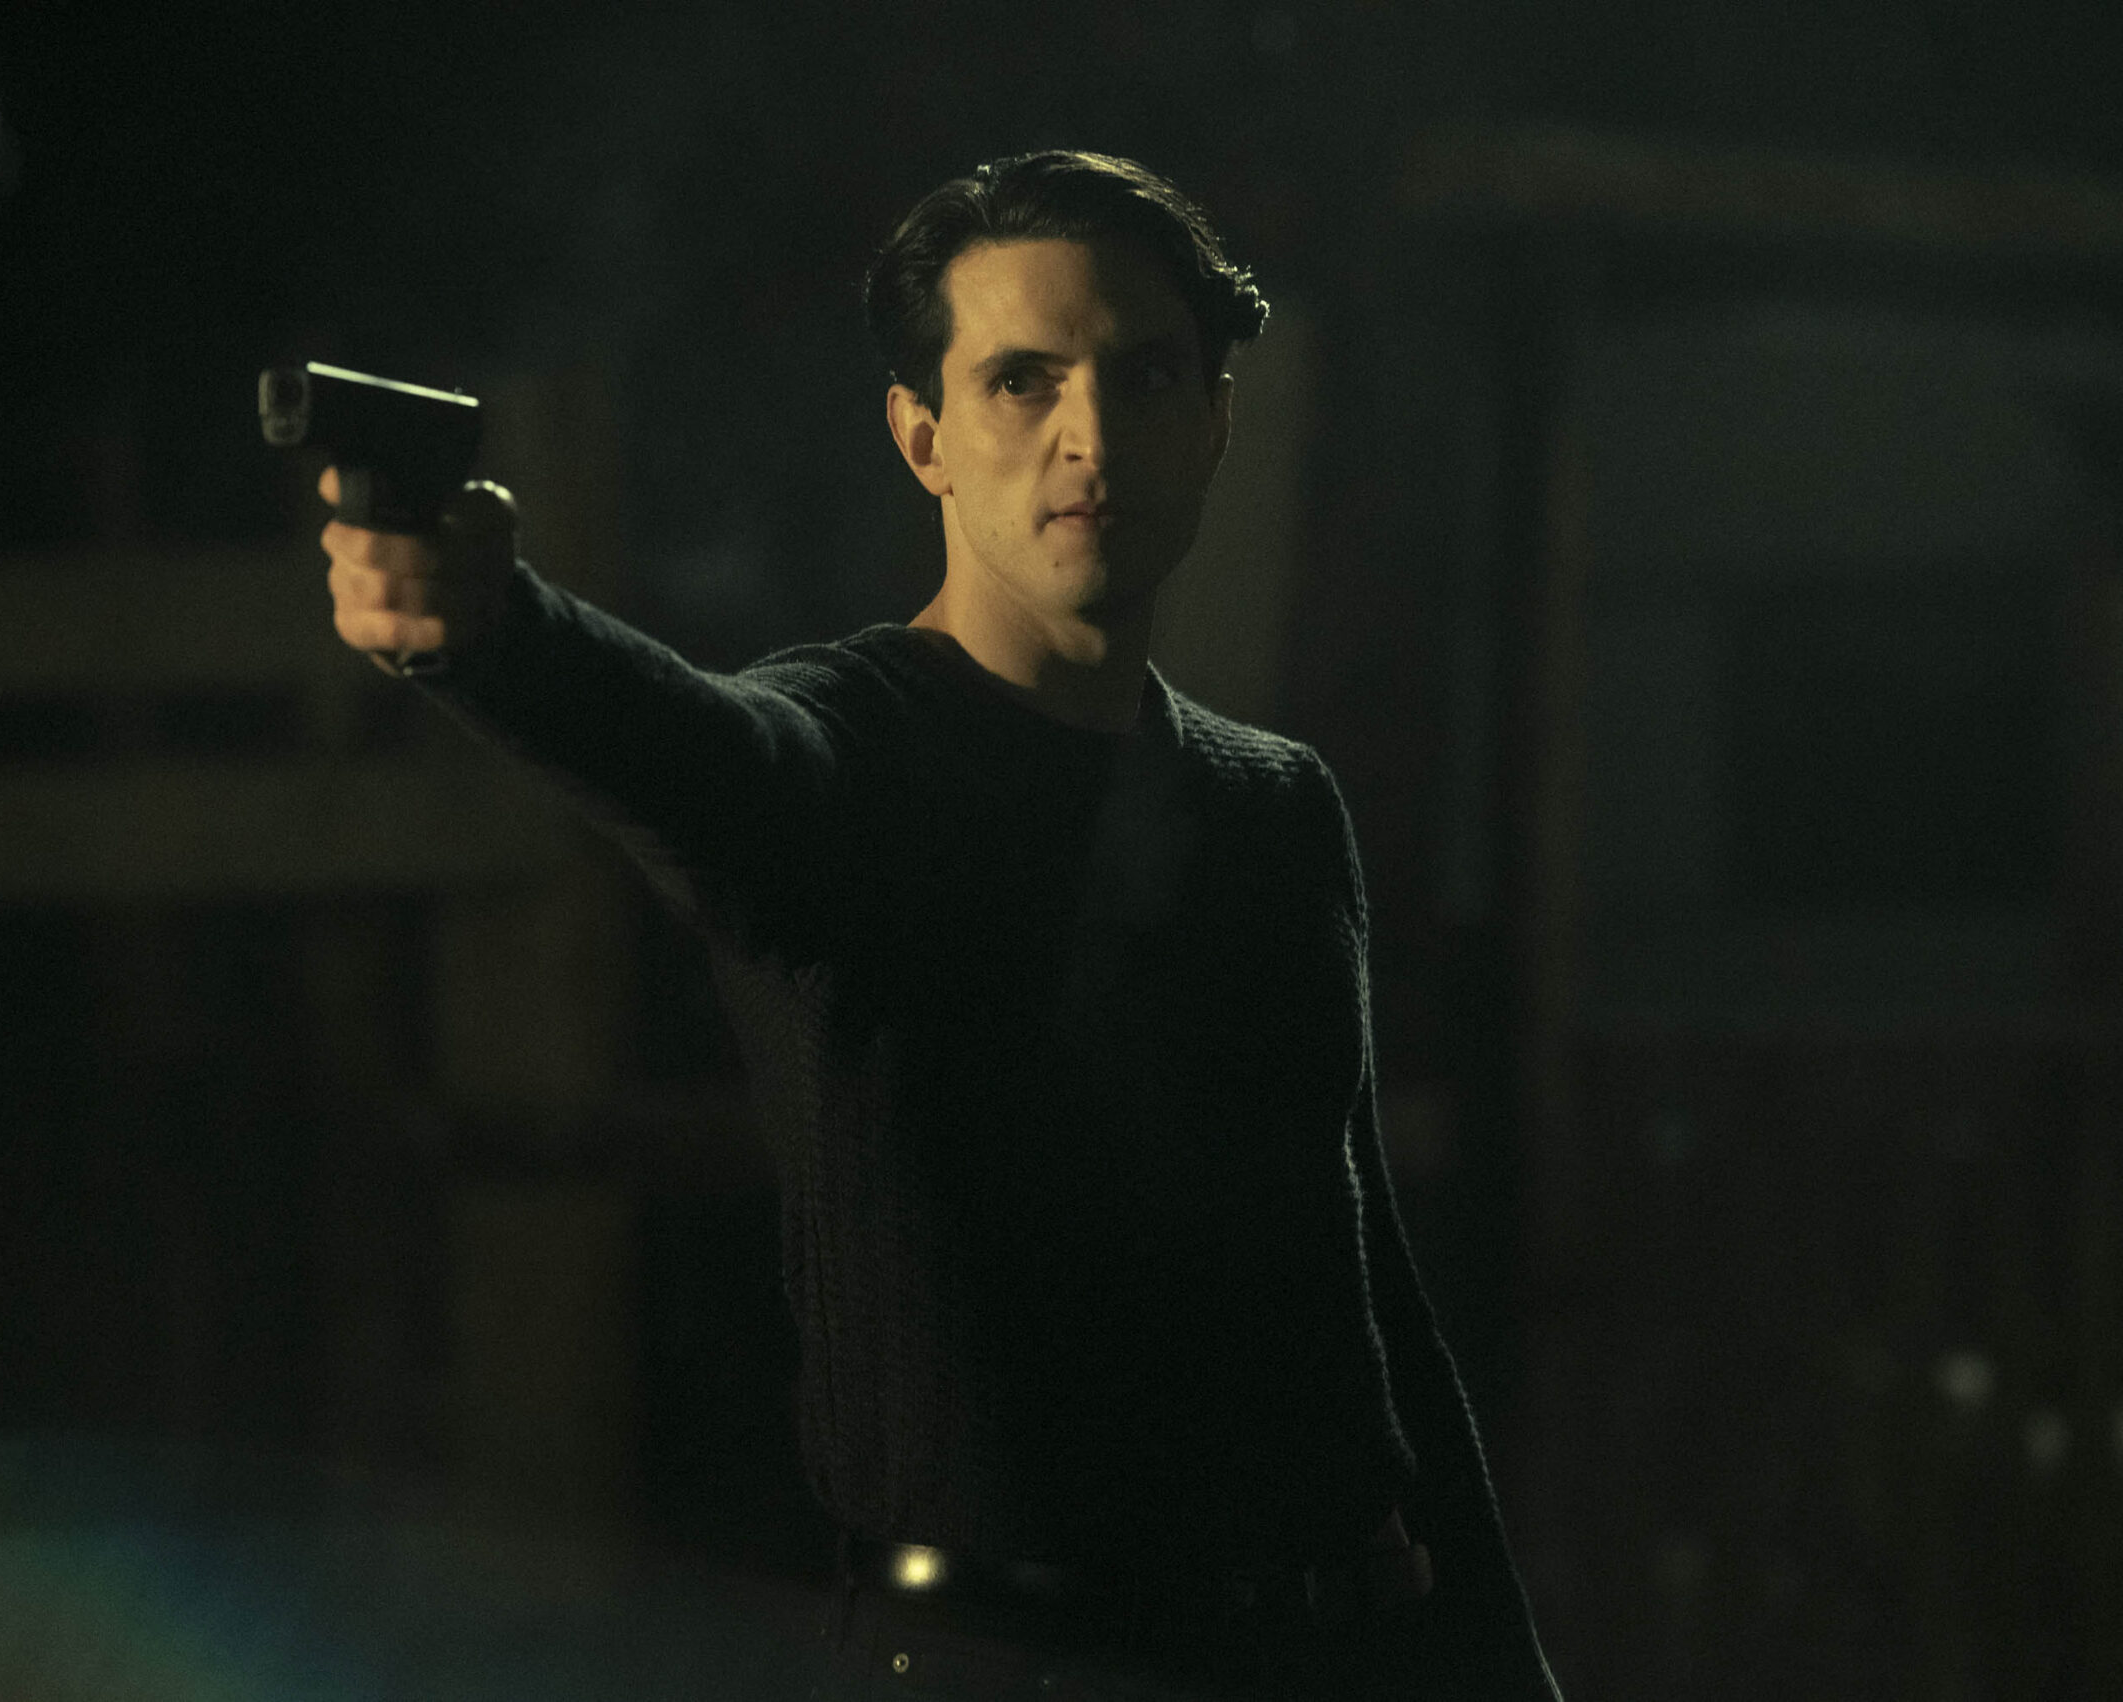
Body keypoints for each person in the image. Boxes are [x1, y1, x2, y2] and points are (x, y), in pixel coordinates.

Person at [318, 150, 1561, 1702]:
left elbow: (1367, 1294)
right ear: (925, 438)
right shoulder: (855, 759)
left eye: (1144, 376)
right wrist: (493, 633)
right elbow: (699, 751)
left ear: (1215, 419)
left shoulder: (1276, 807)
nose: (1089, 435)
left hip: (1341, 1653)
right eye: (1022, 381)